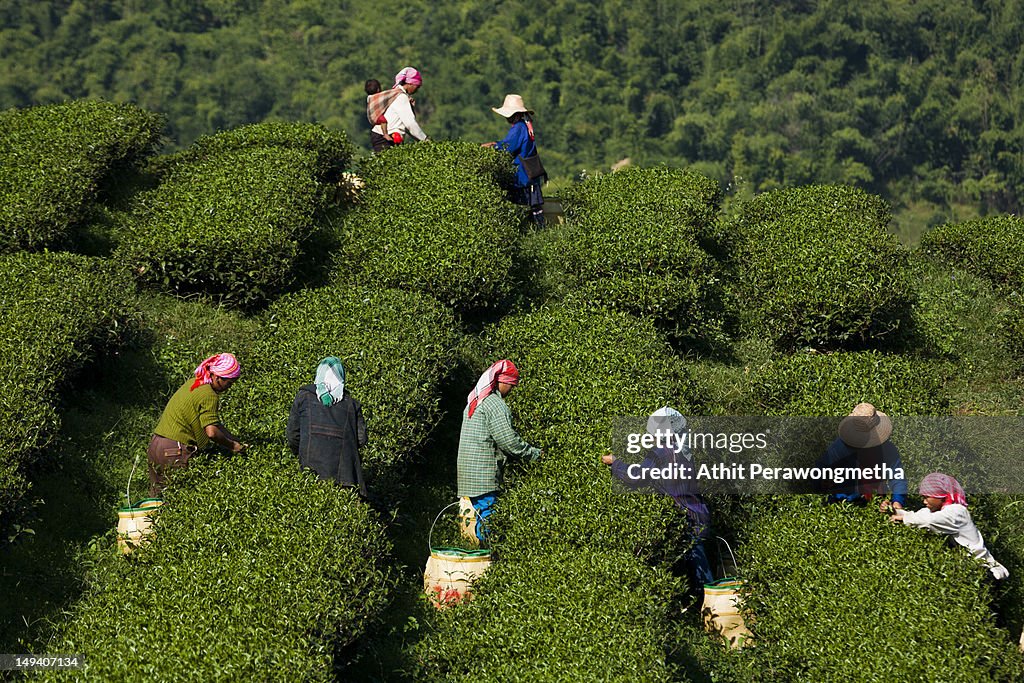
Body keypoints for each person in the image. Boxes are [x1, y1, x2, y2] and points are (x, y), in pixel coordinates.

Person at [602, 407, 714, 593]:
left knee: (702, 581)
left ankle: (713, 617)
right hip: (699, 514)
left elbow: (637, 476)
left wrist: (616, 463)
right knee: (701, 574)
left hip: (687, 519)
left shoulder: (662, 451)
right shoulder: (684, 449)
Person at [456, 359, 541, 542]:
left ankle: (479, 551)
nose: (511, 390)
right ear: (501, 381)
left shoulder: (476, 400)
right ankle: (487, 556)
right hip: (482, 474)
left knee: (478, 516)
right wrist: (534, 454)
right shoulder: (494, 404)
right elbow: (508, 441)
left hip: (468, 472)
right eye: (511, 385)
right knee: (488, 520)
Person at [148, 353, 247, 497]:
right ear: (218, 377)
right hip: (174, 449)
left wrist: (234, 439)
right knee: (180, 499)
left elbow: (214, 423)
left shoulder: (194, 383)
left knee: (157, 497)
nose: (229, 388)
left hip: (156, 445)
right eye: (229, 383)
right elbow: (212, 432)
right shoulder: (209, 394)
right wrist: (232, 446)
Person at [890, 472, 1009, 579]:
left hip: (984, 570)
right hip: (969, 568)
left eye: (927, 497)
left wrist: (904, 518)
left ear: (940, 496)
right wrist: (892, 510)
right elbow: (918, 516)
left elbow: (928, 521)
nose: (924, 501)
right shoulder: (937, 511)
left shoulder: (956, 511)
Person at [287, 357, 368, 497]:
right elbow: (361, 439)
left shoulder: (303, 397)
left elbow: (293, 435)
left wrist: (300, 454)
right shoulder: (352, 404)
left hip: (311, 471)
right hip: (345, 475)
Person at [815, 402, 907, 511]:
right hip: (845, 499)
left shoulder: (886, 448)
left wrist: (897, 501)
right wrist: (823, 481)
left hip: (875, 497)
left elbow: (897, 475)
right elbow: (821, 468)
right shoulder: (841, 446)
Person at [482, 94, 546, 226]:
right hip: (530, 176)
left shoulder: (518, 128)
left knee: (522, 216)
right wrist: (495, 143)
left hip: (522, 178)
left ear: (515, 115)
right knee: (535, 214)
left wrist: (493, 147)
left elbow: (508, 147)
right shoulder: (525, 125)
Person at [369, 66, 429, 153]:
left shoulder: (396, 95)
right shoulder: (401, 97)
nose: (417, 89)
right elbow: (410, 124)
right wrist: (425, 140)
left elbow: (406, 125)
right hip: (386, 138)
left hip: (381, 136)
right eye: (417, 86)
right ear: (410, 83)